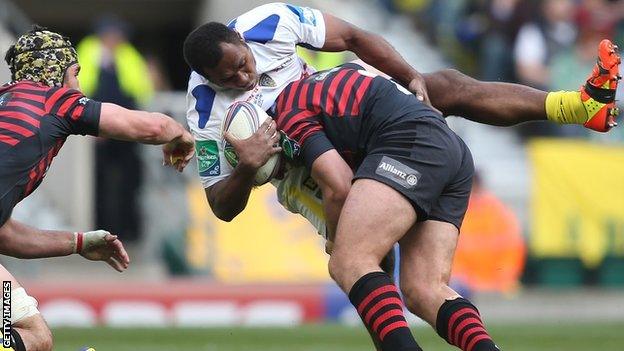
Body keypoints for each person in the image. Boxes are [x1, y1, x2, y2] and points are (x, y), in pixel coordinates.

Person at [183, 2, 620, 246]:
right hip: (301, 163)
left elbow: (353, 38)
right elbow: (220, 205)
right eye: (230, 81)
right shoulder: (203, 108)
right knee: (360, 255)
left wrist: (408, 74)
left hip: (334, 107)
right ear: (210, 81)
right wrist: (245, 167)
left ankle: (579, 107)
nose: (244, 78)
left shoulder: (270, 22)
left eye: (242, 64)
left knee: (443, 83)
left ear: (240, 38)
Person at [0, 26, 195, 351]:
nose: (78, 85)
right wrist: (180, 134)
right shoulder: (53, 100)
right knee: (29, 334)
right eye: (75, 74)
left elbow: (4, 234)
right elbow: (153, 126)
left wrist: (79, 243)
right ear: (55, 72)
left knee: (32, 336)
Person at [77, 15, 154, 242]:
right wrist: (93, 128)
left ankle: (127, 230)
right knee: (98, 182)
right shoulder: (88, 51)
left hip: (127, 130)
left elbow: (141, 91)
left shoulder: (128, 55)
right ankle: (100, 229)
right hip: (96, 130)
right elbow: (81, 91)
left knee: (129, 181)